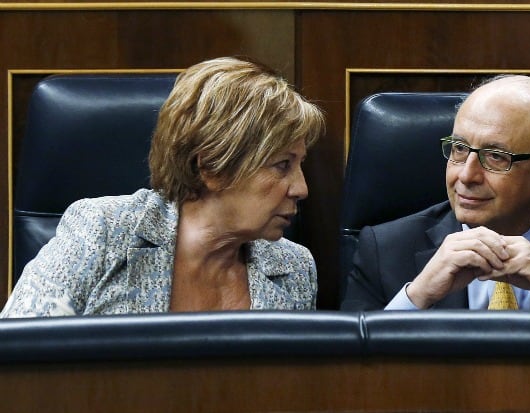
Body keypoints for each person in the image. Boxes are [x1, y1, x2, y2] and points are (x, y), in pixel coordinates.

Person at [1, 56, 325, 317]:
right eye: (282, 165)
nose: (300, 188)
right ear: (212, 166)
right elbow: (18, 358)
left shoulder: (293, 267)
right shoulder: (101, 231)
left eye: (299, 165)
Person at [341, 75, 530, 311]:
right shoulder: (384, 253)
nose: (465, 175)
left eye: (496, 157)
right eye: (460, 149)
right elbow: (348, 381)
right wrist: (417, 297)